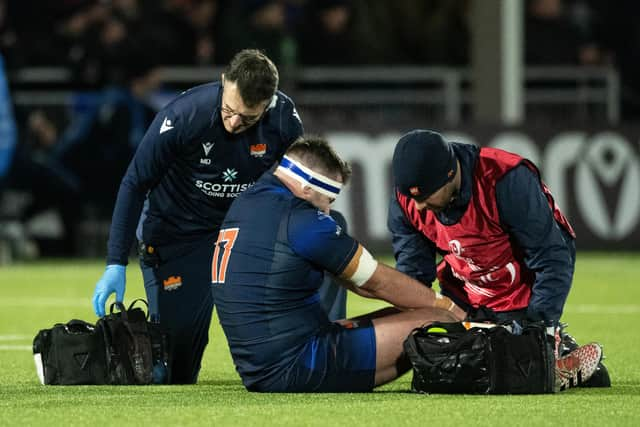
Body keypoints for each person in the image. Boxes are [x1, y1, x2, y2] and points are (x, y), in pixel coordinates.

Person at [91, 49, 346, 384]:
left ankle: (324, 349)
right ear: (224, 82)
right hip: (178, 236)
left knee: (331, 225)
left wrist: (322, 214)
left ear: (267, 105)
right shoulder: (184, 116)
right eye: (229, 110)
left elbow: (304, 182)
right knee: (175, 374)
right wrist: (115, 262)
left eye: (248, 118)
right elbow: (135, 182)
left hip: (241, 233)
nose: (234, 123)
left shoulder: (283, 121)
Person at [213, 136, 469, 392]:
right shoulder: (301, 220)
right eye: (329, 199)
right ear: (307, 188)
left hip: (259, 363)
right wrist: (449, 307)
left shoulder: (249, 201)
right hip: (297, 363)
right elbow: (375, 283)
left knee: (412, 311)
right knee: (439, 320)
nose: (326, 211)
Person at [387, 129, 609, 388]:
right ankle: (542, 360)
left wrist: (539, 329)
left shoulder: (505, 179)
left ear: (450, 175)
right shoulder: (407, 200)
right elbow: (413, 275)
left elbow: (552, 257)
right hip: (461, 301)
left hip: (520, 302)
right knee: (439, 371)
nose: (419, 207)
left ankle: (549, 348)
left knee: (511, 370)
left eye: (425, 197)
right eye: (413, 198)